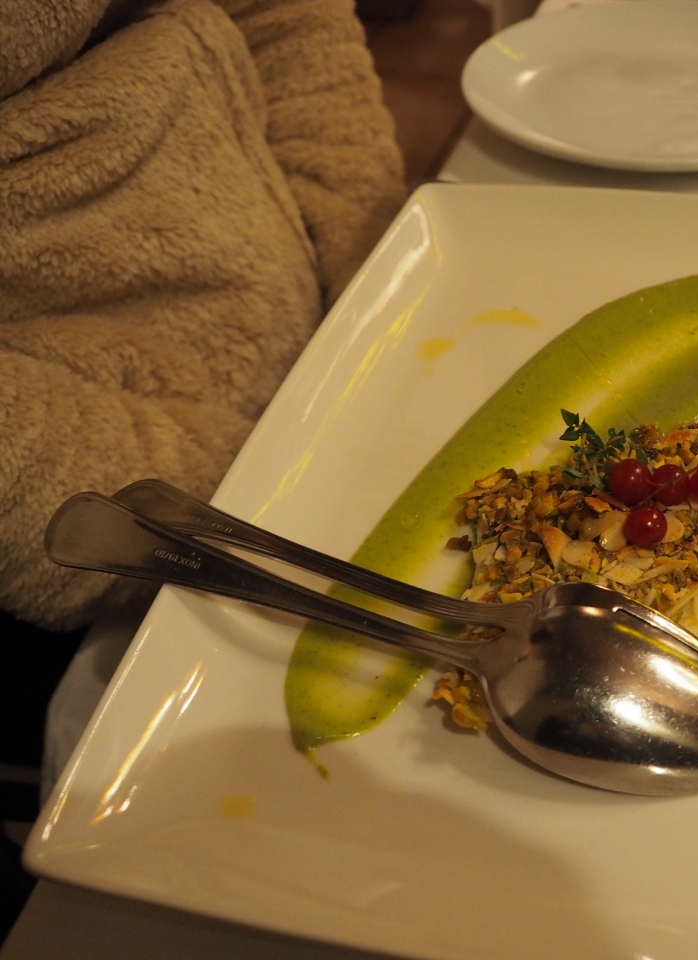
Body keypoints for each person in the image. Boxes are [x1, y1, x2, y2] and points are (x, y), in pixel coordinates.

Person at [0, 0, 407, 935]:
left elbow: (283, 15)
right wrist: (268, 479)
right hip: (91, 547)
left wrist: (366, 277)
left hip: (309, 386)